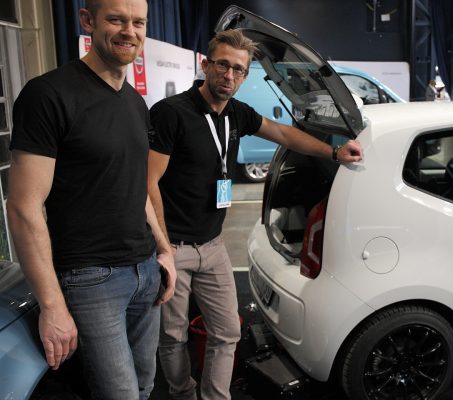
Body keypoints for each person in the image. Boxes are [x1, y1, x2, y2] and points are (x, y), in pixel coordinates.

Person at [147, 29, 363, 400]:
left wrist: (333, 152)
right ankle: (183, 393)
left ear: (245, 75)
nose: (229, 75)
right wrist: (163, 248)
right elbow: (148, 183)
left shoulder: (237, 113)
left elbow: (283, 134)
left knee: (228, 331)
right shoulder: (172, 114)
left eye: (238, 69)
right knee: (172, 336)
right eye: (222, 65)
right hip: (175, 247)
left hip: (213, 245)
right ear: (206, 65)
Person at [6, 0, 176, 398]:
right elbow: (23, 207)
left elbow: (137, 189)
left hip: (145, 271)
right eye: (116, 19)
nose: (129, 31)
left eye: (138, 22)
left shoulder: (135, 103)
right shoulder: (48, 94)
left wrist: (164, 250)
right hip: (90, 279)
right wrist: (52, 305)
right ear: (88, 21)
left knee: (146, 386)